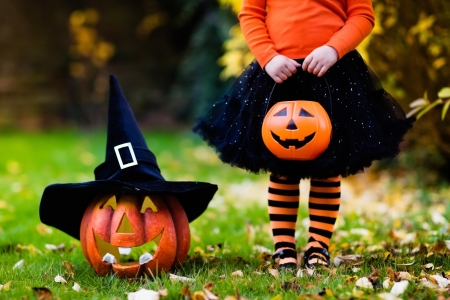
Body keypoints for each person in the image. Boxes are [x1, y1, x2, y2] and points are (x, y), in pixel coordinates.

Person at [193, 0, 412, 269]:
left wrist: (333, 49)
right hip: (279, 74)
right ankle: (283, 247)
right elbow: (250, 14)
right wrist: (268, 56)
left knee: (327, 167)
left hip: (332, 75)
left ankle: (318, 245)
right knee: (282, 165)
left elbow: (362, 16)